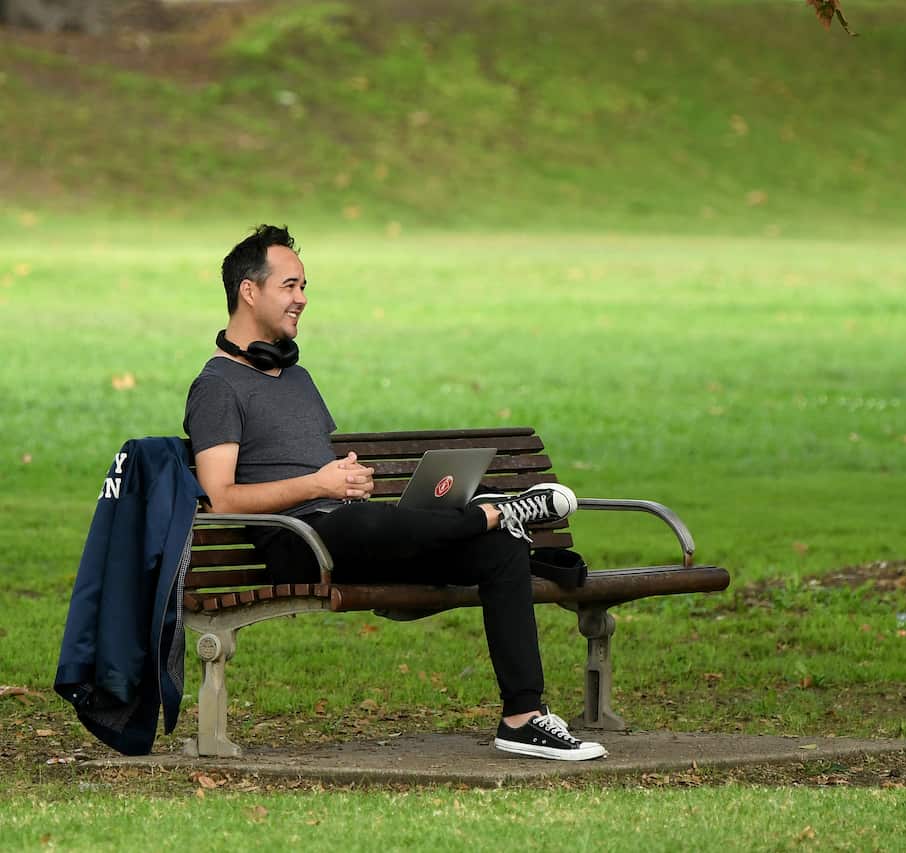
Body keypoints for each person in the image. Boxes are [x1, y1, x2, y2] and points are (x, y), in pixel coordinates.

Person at [183, 224, 607, 762]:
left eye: (304, 286)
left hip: (347, 531)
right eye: (290, 285)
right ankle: (497, 512)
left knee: (499, 550)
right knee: (361, 522)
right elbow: (221, 499)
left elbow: (318, 470)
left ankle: (522, 718)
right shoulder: (217, 387)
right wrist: (319, 484)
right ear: (249, 290)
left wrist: (348, 479)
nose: (302, 298)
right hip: (294, 543)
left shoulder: (295, 378)